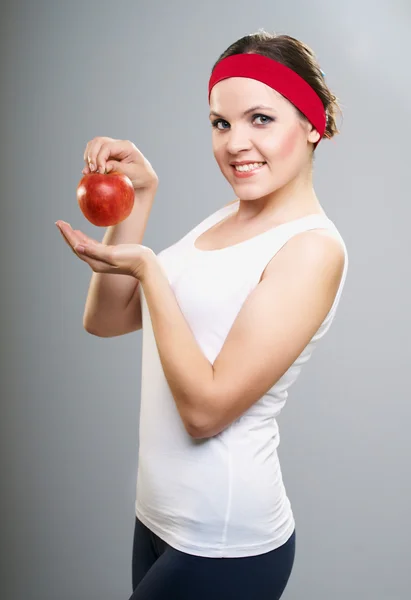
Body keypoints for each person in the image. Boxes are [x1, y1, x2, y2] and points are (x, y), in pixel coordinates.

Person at [56, 30, 348, 600]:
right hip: (158, 519)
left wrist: (148, 270)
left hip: (223, 537)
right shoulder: (223, 220)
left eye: (260, 119)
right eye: (221, 123)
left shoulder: (312, 249)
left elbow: (205, 410)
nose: (236, 143)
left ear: (312, 126)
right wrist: (137, 199)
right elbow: (107, 317)